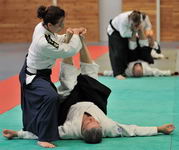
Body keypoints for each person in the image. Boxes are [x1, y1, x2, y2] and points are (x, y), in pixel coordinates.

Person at [3, 38, 175, 146]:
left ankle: (67, 44)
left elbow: (41, 132)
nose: (92, 120)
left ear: (82, 130)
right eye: (95, 122)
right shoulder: (109, 128)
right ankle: (83, 41)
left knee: (69, 80)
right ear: (100, 126)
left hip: (70, 105)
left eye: (88, 123)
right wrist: (159, 128)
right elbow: (133, 130)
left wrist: (17, 134)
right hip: (93, 103)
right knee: (91, 75)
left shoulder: (69, 131)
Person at [18, 5, 87, 148]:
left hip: (39, 72)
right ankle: (43, 138)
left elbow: (55, 38)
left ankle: (32, 131)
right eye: (60, 24)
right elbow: (68, 50)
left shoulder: (43, 26)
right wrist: (74, 35)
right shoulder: (42, 41)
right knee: (51, 97)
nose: (63, 26)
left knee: (52, 99)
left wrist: (70, 35)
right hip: (33, 76)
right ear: (50, 24)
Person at [107, 10, 164, 80]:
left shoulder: (142, 17)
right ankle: (117, 73)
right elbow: (123, 34)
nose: (138, 70)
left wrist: (140, 30)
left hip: (134, 52)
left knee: (134, 47)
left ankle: (121, 70)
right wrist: (134, 31)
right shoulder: (123, 21)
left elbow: (148, 28)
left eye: (138, 23)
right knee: (119, 50)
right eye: (135, 24)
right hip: (115, 31)